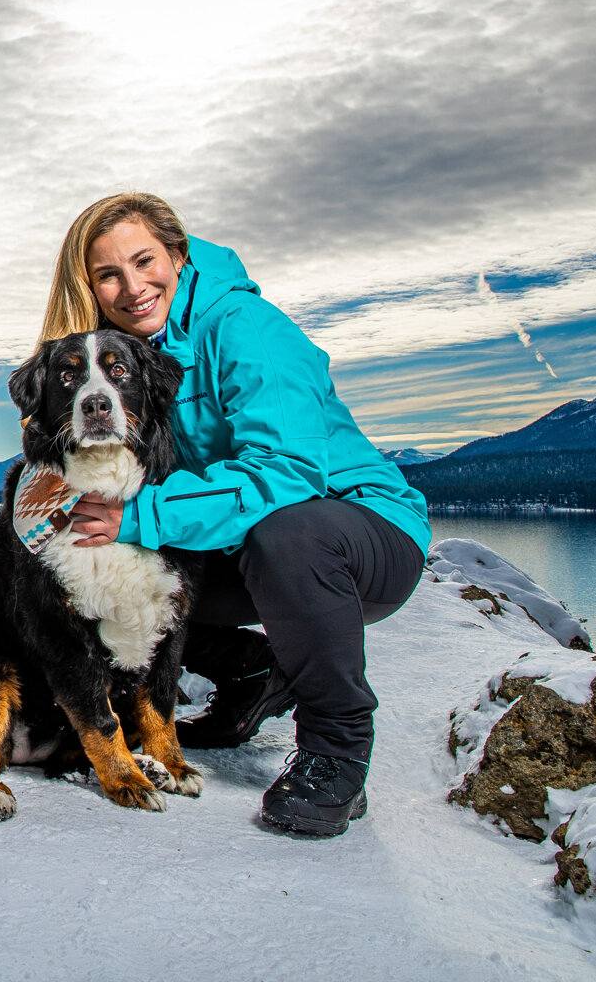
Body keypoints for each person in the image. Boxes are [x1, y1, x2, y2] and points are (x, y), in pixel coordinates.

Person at [41, 192, 429, 837]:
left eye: (145, 261)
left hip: (359, 534)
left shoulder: (245, 326)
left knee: (286, 532)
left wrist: (140, 513)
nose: (132, 287)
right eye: (109, 274)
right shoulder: (132, 357)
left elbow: (288, 472)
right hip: (243, 544)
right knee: (105, 566)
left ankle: (336, 751)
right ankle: (247, 672)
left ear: (178, 254)